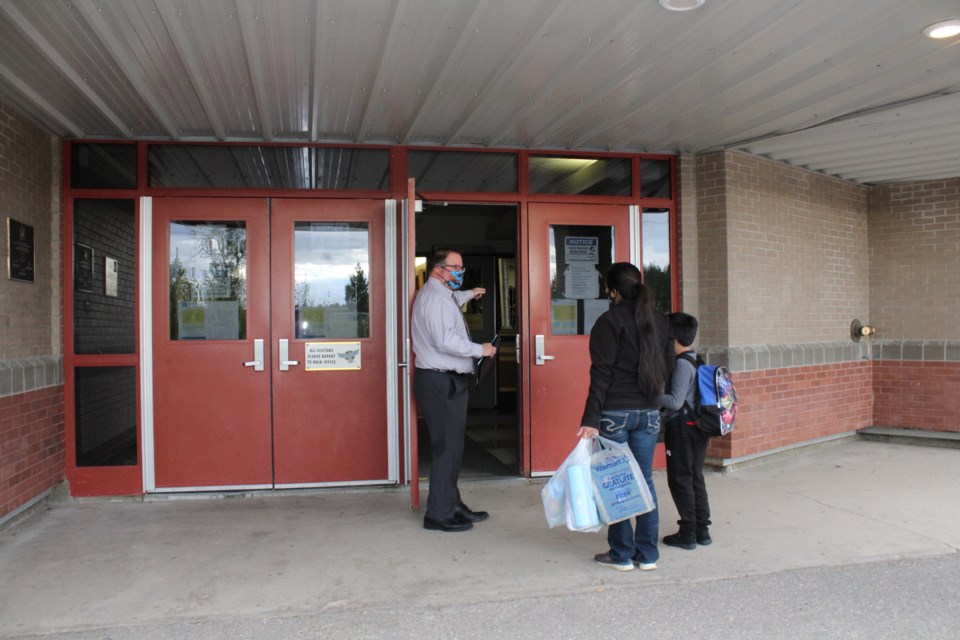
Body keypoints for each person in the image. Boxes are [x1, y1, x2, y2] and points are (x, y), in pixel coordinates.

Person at [578, 262, 673, 571]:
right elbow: (667, 368)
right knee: (644, 480)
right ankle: (648, 555)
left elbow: (601, 374)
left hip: (614, 413)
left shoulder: (609, 322)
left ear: (612, 290)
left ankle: (620, 554)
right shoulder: (659, 321)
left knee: (615, 482)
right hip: (648, 413)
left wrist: (591, 419)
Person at [412, 247, 498, 532]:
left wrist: (470, 293)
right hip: (441, 380)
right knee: (446, 449)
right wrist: (480, 349)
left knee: (452, 447)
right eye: (456, 267)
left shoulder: (443, 294)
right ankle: (438, 515)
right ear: (439, 269)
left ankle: (452, 504)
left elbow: (452, 301)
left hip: (445, 380)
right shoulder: (435, 298)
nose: (460, 271)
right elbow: (444, 339)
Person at [659, 312, 713, 549]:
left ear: (673, 338)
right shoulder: (695, 358)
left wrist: (647, 394)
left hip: (682, 429)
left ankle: (688, 532)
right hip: (696, 427)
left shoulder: (682, 364)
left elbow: (674, 401)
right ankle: (702, 530)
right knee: (694, 476)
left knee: (680, 479)